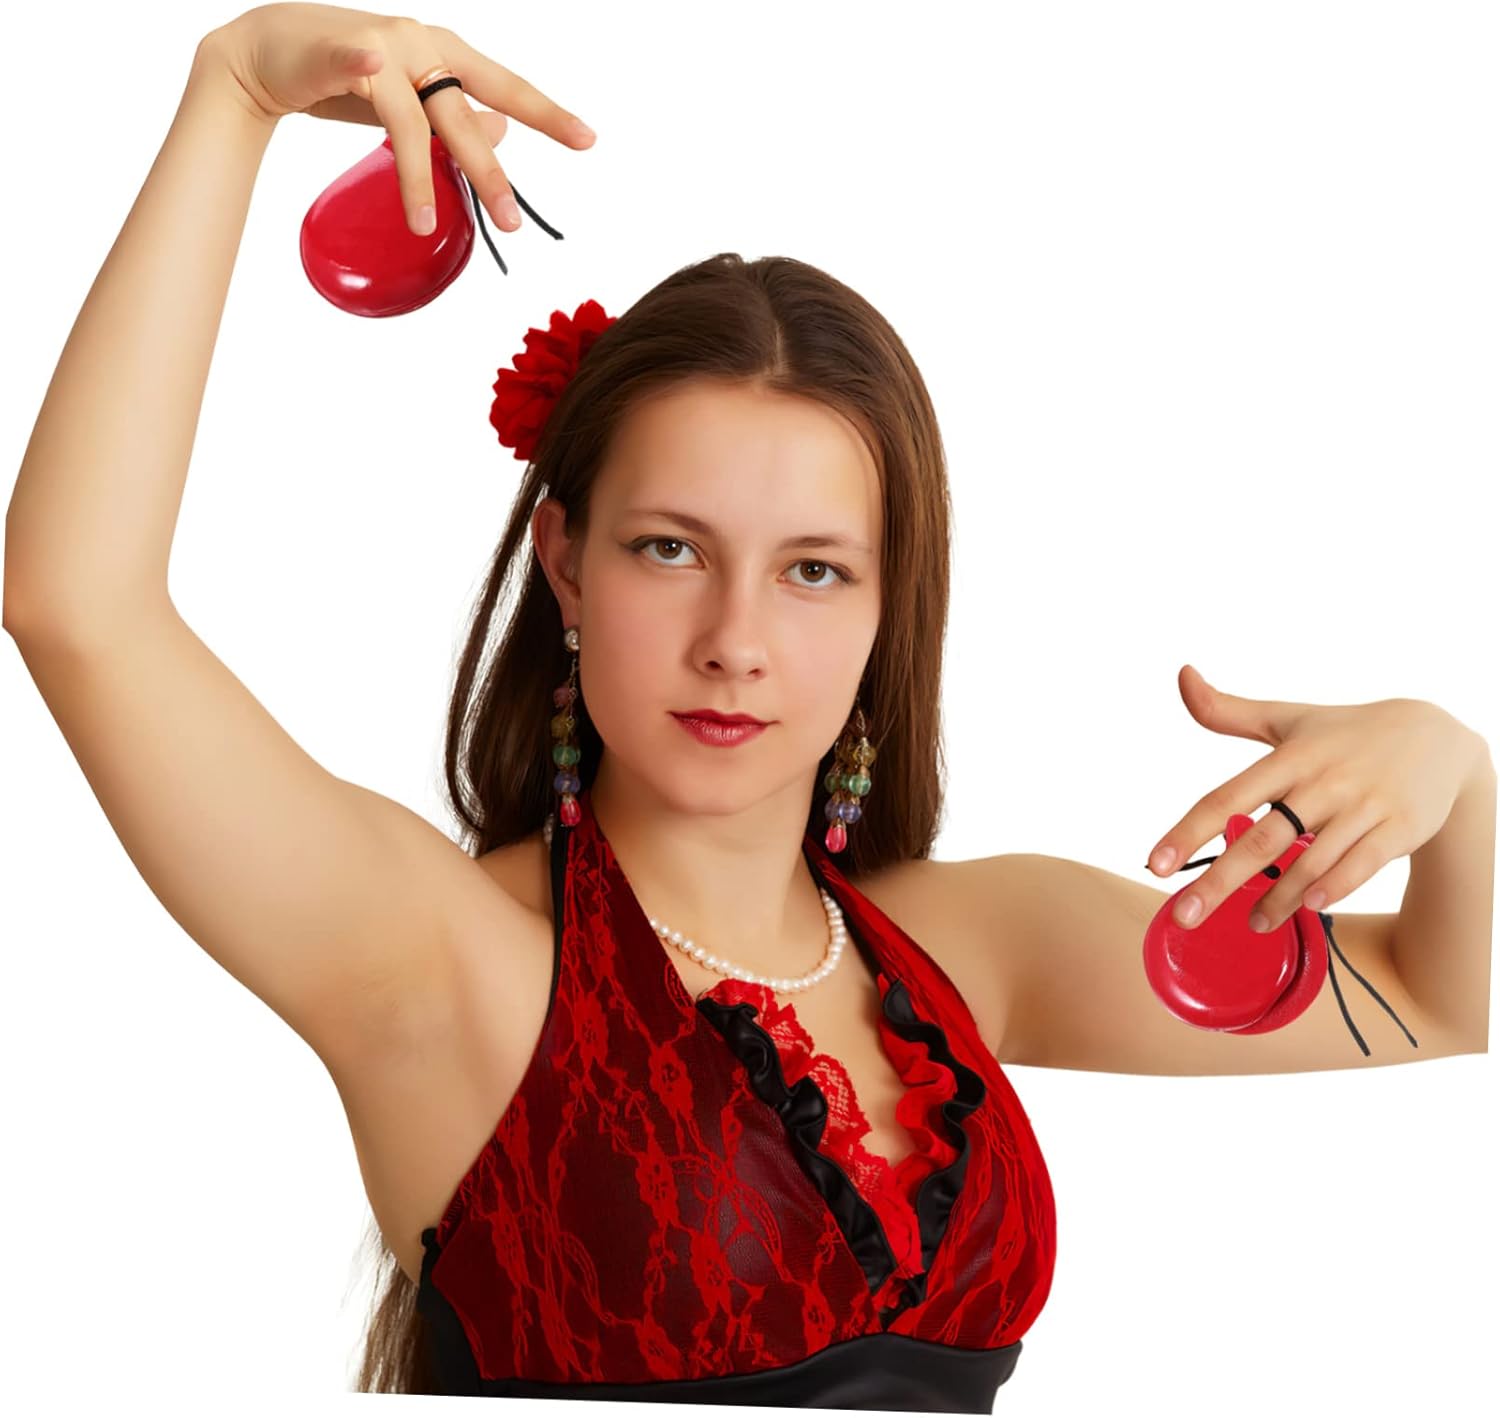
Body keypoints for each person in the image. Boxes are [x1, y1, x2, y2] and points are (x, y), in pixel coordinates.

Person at [2, 4, 1057, 1408]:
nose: (735, 644)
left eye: (813, 570)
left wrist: (1387, 757)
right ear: (564, 559)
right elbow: (76, 607)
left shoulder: (966, 945)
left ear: (889, 602)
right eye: (668, 549)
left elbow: (1377, 990)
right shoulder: (454, 966)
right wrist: (234, 92)